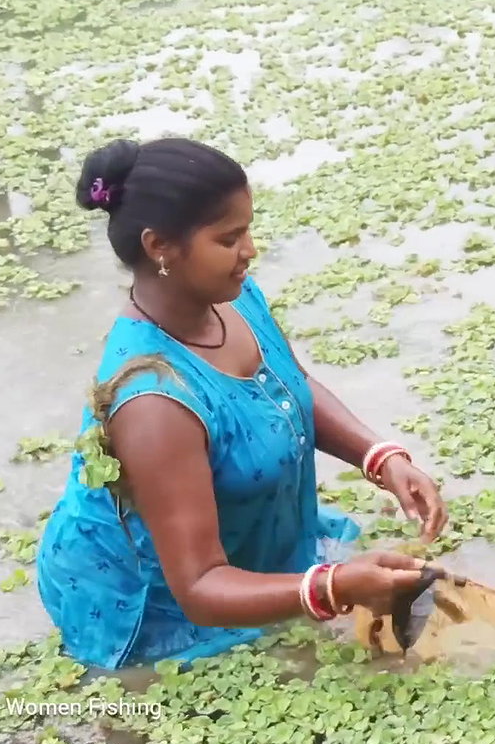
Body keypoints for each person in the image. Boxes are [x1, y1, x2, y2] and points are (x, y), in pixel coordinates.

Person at [36, 137, 448, 671]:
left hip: (240, 542)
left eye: (247, 230)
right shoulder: (154, 402)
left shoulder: (231, 296)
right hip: (160, 603)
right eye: (229, 238)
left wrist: (381, 457)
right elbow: (200, 587)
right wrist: (332, 587)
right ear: (161, 246)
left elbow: (287, 386)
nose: (250, 250)